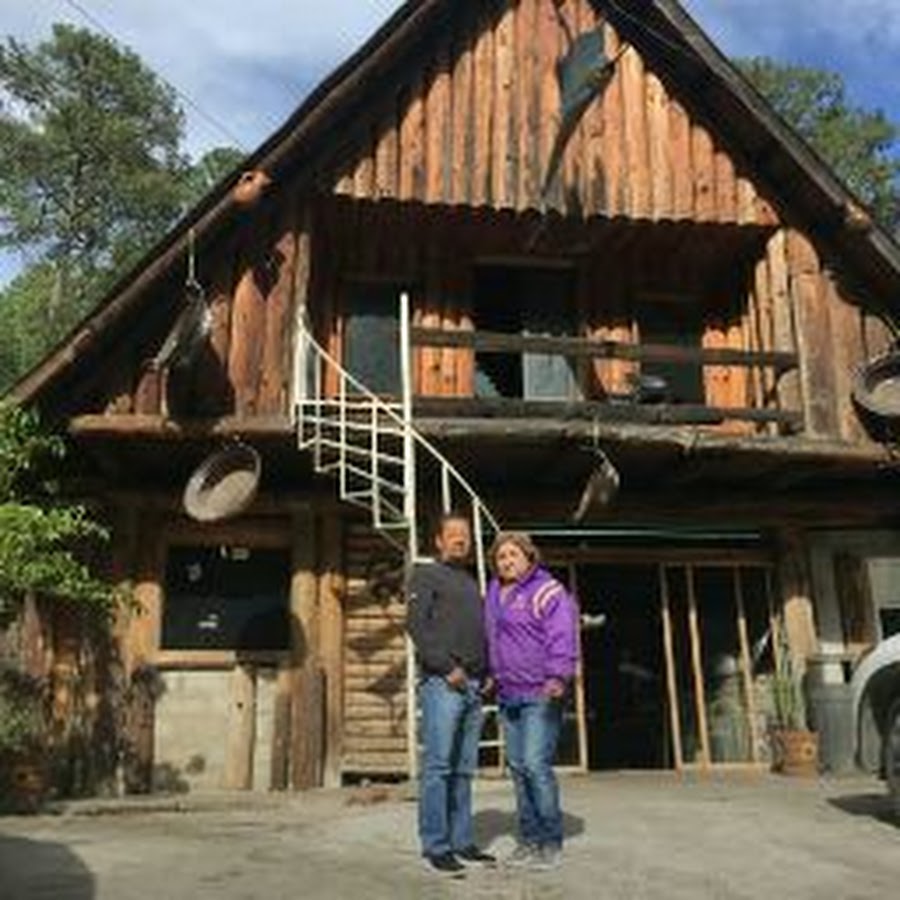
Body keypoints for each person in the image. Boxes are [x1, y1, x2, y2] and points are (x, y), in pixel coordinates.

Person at [407, 512, 496, 875]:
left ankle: (462, 841)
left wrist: (486, 671)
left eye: (466, 535)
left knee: (463, 770)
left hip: (474, 684)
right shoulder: (426, 574)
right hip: (443, 683)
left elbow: (479, 631)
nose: (461, 539)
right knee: (439, 767)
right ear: (439, 541)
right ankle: (436, 845)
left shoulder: (471, 581)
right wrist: (446, 668)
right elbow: (416, 626)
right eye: (454, 534)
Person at [484, 531, 578, 870]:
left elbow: (562, 635)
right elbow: (493, 638)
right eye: (501, 557)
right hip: (508, 692)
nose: (507, 561)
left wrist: (558, 676)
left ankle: (550, 842)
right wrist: (492, 673)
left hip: (541, 691)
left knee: (536, 765)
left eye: (513, 554)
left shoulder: (548, 590)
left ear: (529, 557)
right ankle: (529, 840)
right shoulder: (494, 592)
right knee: (518, 768)